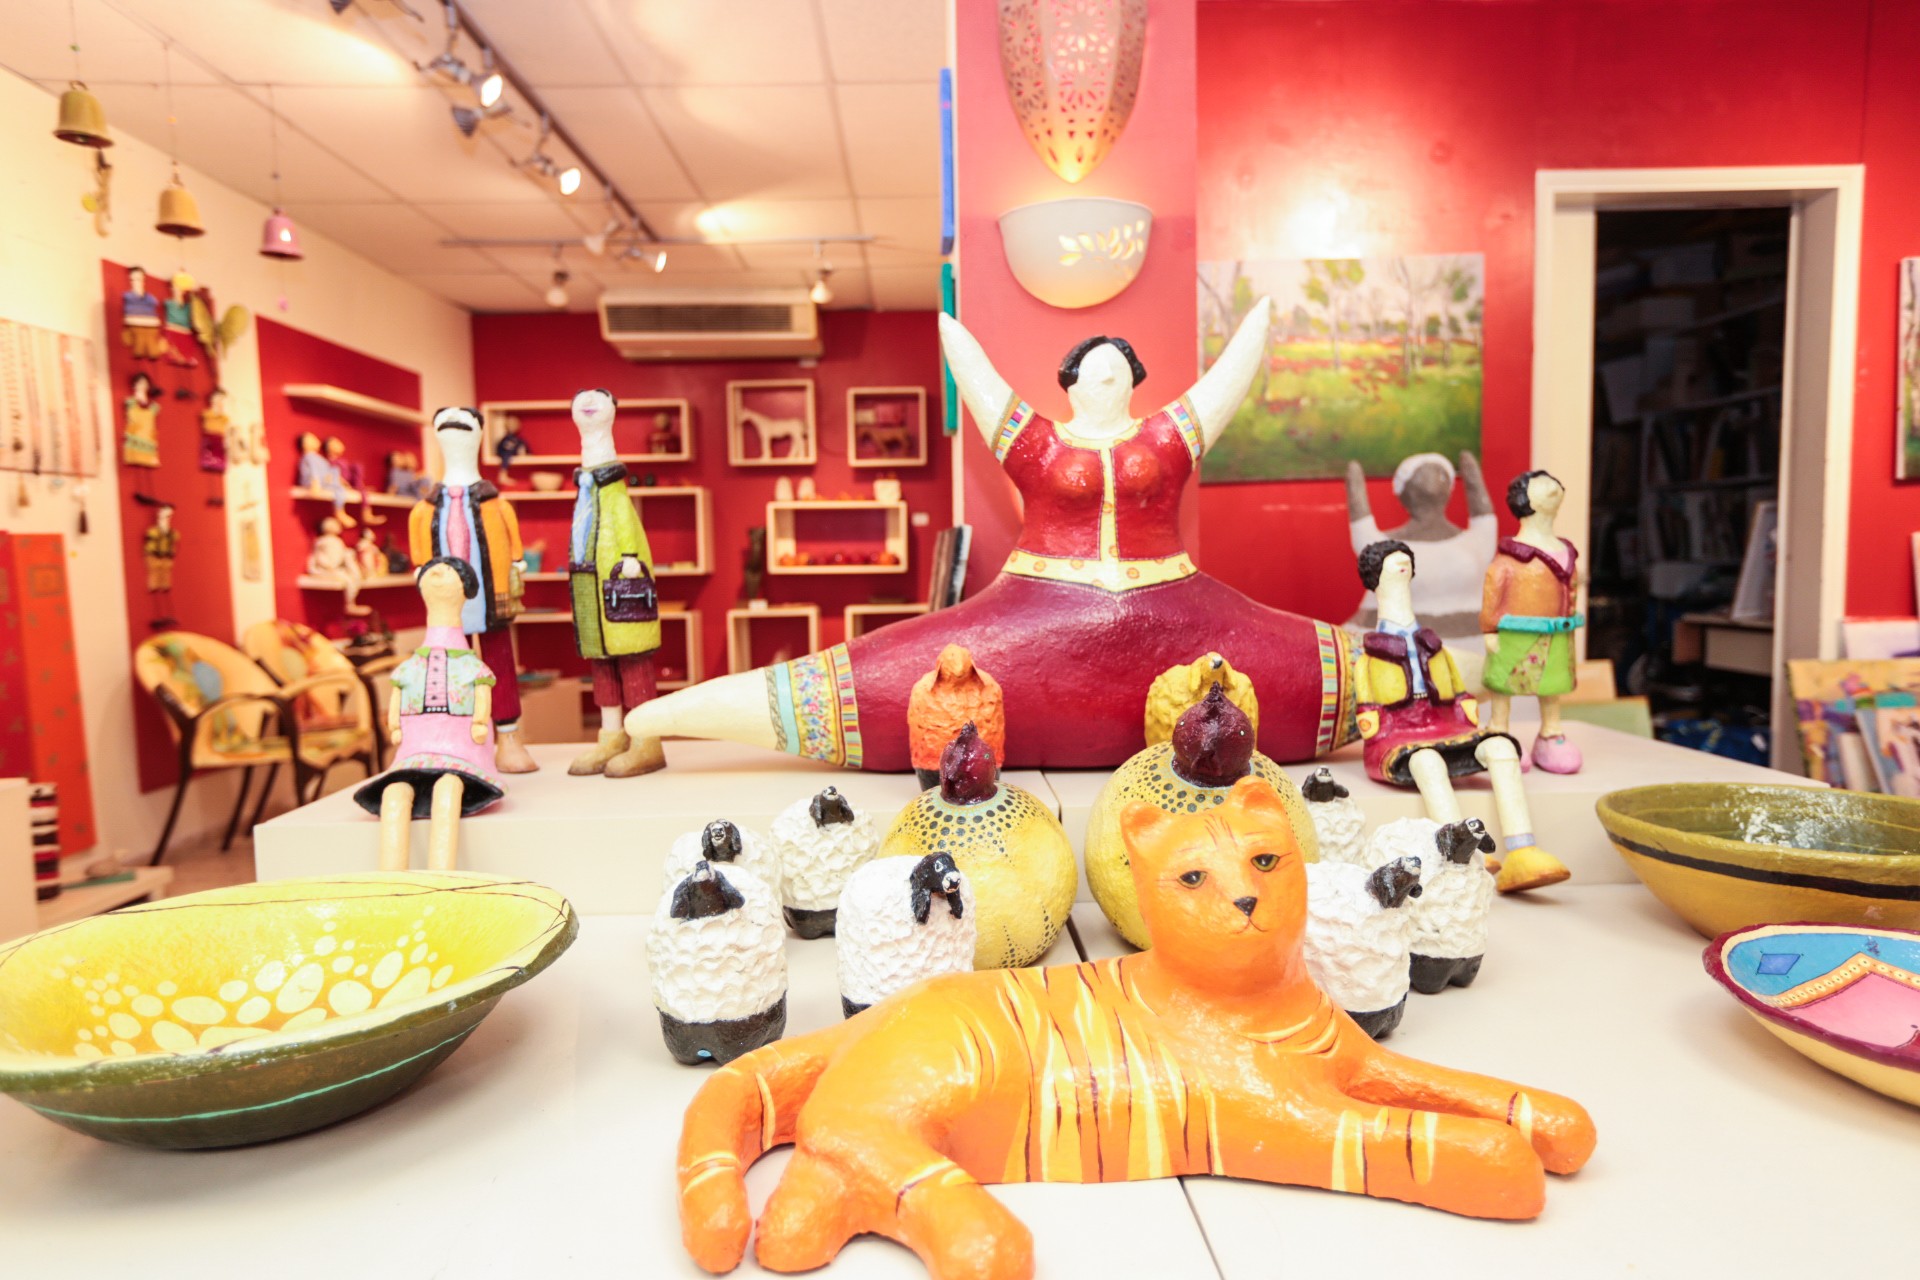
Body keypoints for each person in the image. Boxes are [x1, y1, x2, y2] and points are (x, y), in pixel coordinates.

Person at [625, 301, 1358, 771]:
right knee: (882, 678)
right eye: (1091, 371)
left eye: (1116, 371)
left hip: (1179, 613)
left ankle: (1398, 677)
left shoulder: (1165, 437)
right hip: (1033, 615)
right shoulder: (1040, 444)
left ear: (1134, 379)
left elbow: (1228, 380)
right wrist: (960, 345)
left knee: (1324, 666)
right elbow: (980, 384)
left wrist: (1254, 331)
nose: (1104, 380)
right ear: (1069, 383)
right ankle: (657, 716)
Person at [1352, 540, 1569, 893]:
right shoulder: (1368, 660)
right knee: (1427, 762)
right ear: (1375, 578)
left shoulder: (1435, 649)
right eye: (1393, 564)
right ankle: (1462, 855)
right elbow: (1368, 712)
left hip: (1446, 726)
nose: (1402, 566)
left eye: (1405, 562)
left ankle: (1523, 851)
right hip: (1399, 737)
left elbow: (1459, 694)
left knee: (1501, 747)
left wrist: (1466, 716)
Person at [353, 557, 505, 872]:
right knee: (394, 793)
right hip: (413, 753)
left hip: (462, 752)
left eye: (449, 570)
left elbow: (482, 690)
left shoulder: (469, 665)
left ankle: (439, 881)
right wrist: (395, 724)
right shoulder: (413, 665)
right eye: (432, 569)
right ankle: (391, 885)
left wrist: (479, 721)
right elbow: (399, 691)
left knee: (449, 789)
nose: (438, 572)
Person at [408, 407, 536, 773]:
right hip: (446, 604)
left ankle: (508, 737)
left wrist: (515, 562)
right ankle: (456, 741)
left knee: (500, 662)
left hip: (492, 596)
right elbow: (419, 548)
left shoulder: (497, 504)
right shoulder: (425, 509)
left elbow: (514, 542)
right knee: (450, 669)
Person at [566, 388, 665, 778]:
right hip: (589, 584)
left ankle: (645, 739)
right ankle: (611, 735)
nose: (588, 404)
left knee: (633, 660)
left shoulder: (614, 494)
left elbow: (624, 521)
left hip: (619, 586)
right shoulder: (586, 492)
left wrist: (628, 556)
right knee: (602, 664)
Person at [1483, 469, 1584, 774]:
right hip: (1515, 631)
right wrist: (1489, 628)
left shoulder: (1565, 551)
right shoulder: (1513, 555)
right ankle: (1498, 730)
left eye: (1554, 484)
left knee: (1552, 685)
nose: (1552, 487)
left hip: (1558, 632)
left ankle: (1550, 733)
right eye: (1541, 485)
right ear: (1524, 500)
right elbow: (1494, 588)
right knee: (1505, 682)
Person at [1346, 451, 1495, 635]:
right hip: (1394, 638)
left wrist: (1473, 476)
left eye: (1440, 473)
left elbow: (1484, 518)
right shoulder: (1379, 546)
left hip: (1471, 640)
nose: (1431, 477)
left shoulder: (1475, 541)